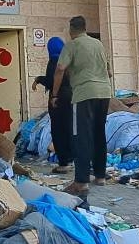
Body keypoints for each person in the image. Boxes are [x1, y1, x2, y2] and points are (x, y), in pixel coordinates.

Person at [51, 16, 112, 196]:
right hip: (104, 93)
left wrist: (55, 94)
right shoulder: (98, 44)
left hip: (85, 94)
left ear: (72, 29)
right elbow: (108, 71)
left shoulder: (72, 44)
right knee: (99, 133)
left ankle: (81, 182)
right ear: (85, 27)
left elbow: (60, 68)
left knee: (81, 136)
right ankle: (100, 176)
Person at [32, 37, 73, 174]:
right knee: (69, 128)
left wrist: (38, 80)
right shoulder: (68, 60)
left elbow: (50, 81)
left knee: (58, 130)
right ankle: (72, 159)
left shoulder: (54, 61)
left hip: (59, 99)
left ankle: (63, 163)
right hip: (71, 97)